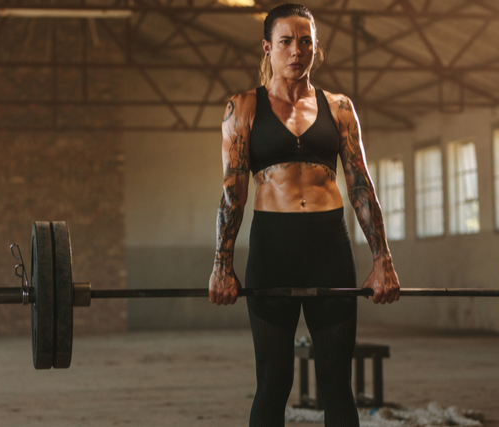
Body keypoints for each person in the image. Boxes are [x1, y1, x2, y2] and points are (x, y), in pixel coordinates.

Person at [208, 3, 400, 426]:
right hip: (272, 249)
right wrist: (222, 265)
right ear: (267, 48)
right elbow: (232, 191)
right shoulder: (242, 108)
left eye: (306, 41)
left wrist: (382, 260)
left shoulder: (340, 107)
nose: (297, 50)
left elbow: (361, 185)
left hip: (328, 246)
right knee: (274, 382)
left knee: (336, 383)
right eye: (286, 42)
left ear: (316, 47)